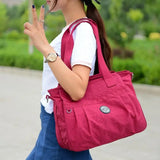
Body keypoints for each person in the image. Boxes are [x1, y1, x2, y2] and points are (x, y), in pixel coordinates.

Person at [24, 0, 112, 159]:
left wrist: (45, 48)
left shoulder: (83, 30)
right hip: (53, 129)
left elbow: (77, 89)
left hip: (59, 134)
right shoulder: (72, 30)